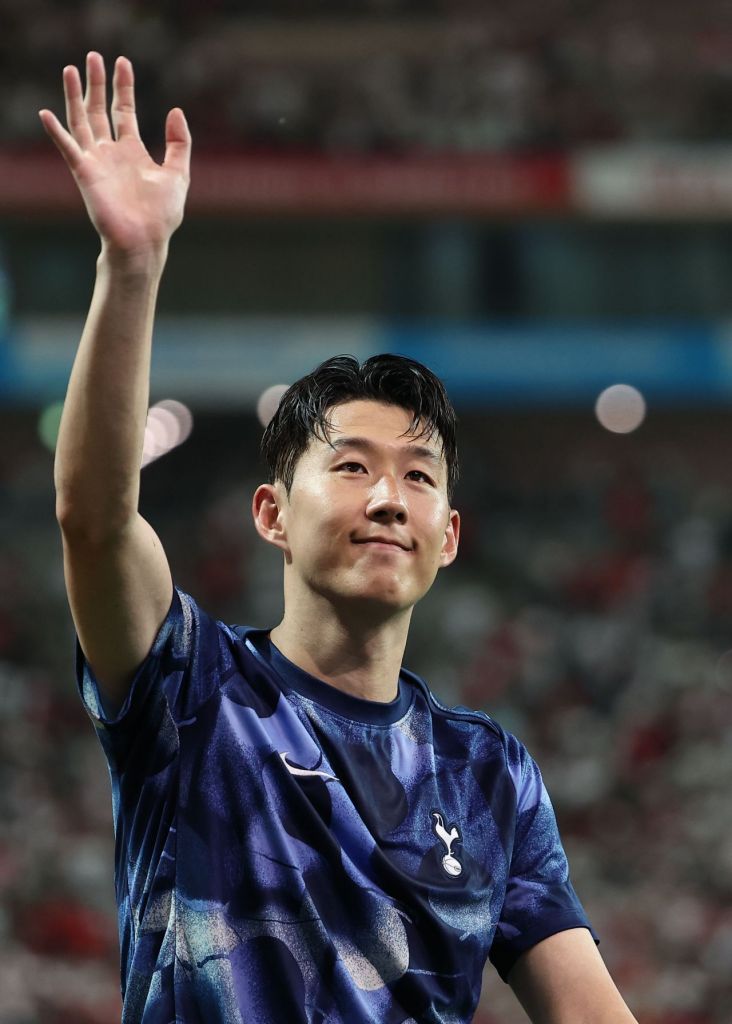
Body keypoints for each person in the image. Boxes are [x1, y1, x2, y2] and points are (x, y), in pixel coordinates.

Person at [41, 52, 638, 1024]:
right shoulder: (190, 692)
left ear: (449, 536)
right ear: (272, 514)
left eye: (419, 476)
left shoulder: (489, 773)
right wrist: (132, 266)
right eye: (352, 466)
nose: (390, 499)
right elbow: (95, 518)